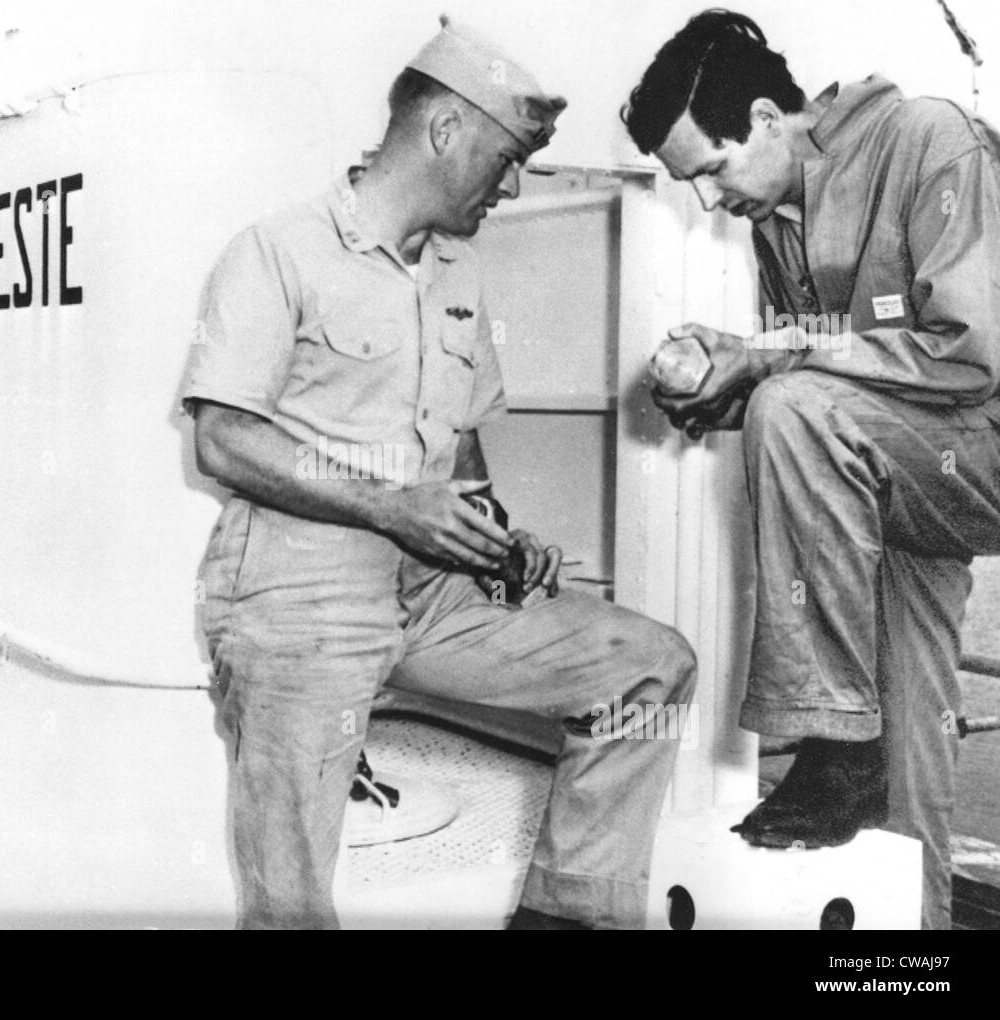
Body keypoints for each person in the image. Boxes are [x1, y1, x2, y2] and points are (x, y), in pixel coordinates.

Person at [183, 15, 697, 930]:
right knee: (291, 895)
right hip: (298, 597)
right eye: (505, 161)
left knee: (648, 668)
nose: (510, 187)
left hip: (435, 595)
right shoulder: (278, 249)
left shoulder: (458, 273)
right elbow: (222, 438)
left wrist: (500, 538)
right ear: (445, 130)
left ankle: (564, 916)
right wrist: (396, 508)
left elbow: (460, 453)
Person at [622, 8, 1000, 929]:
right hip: (899, 472)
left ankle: (832, 738)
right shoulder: (776, 221)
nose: (709, 201)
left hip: (980, 440)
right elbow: (832, 389)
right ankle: (920, 958)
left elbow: (968, 352)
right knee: (916, 767)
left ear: (761, 118)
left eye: (709, 171)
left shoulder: (928, 139)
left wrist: (775, 357)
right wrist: (724, 386)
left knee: (791, 403)